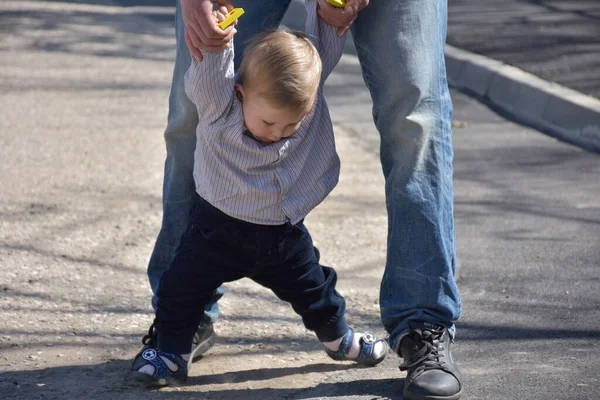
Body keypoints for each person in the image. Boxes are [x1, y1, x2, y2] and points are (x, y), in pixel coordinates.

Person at [135, 0, 463, 398]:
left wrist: (329, 19)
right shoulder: (224, 102)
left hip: (283, 236)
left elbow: (319, 55)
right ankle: (180, 328)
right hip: (212, 231)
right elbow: (210, 73)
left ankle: (421, 321)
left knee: (415, 120)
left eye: (289, 124)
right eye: (273, 124)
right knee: (193, 110)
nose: (280, 133)